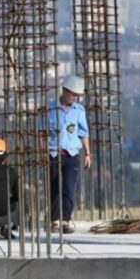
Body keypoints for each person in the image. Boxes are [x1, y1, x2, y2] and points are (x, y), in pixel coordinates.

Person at [48, 75, 91, 234]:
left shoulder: (79, 111)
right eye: (73, 94)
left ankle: (65, 219)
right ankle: (55, 220)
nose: (75, 98)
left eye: (77, 95)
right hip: (53, 153)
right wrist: (42, 153)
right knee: (54, 186)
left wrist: (87, 153)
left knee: (69, 188)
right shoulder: (50, 109)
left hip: (72, 154)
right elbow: (41, 133)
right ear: (64, 91)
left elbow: (83, 133)